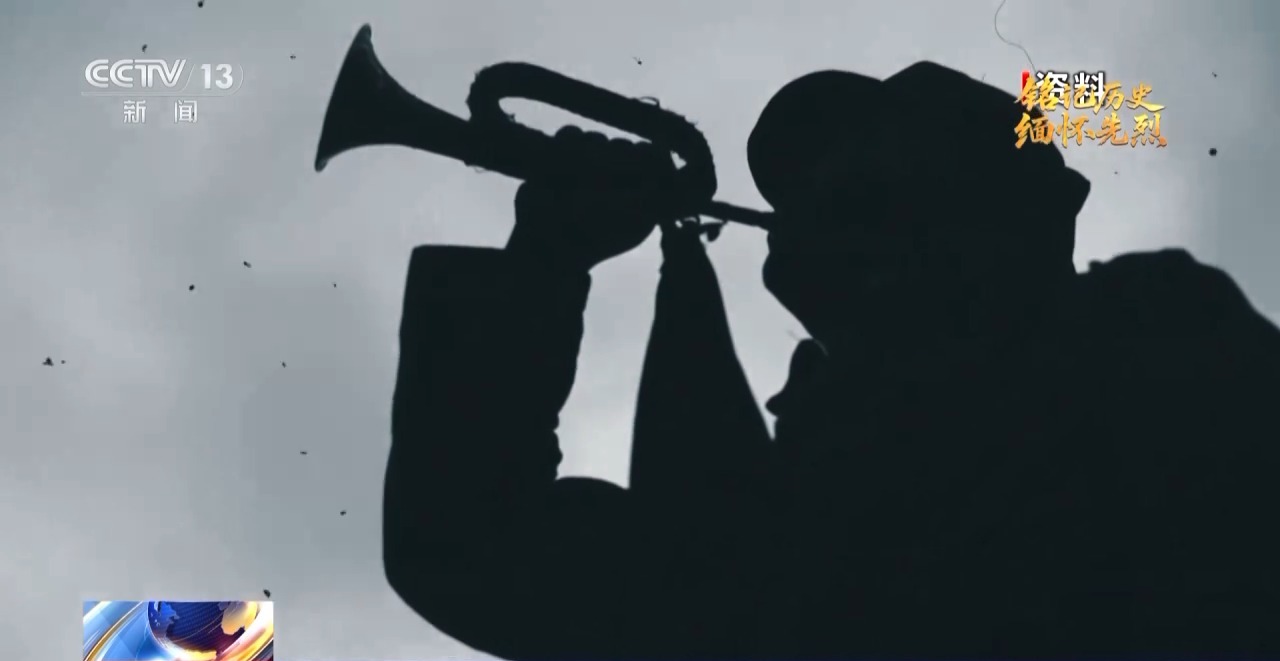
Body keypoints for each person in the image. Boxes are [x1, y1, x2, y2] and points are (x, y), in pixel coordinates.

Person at [382, 61, 1280, 660]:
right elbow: (469, 552)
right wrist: (545, 260)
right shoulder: (781, 510)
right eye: (809, 199)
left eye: (865, 188)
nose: (818, 209)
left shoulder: (1147, 323)